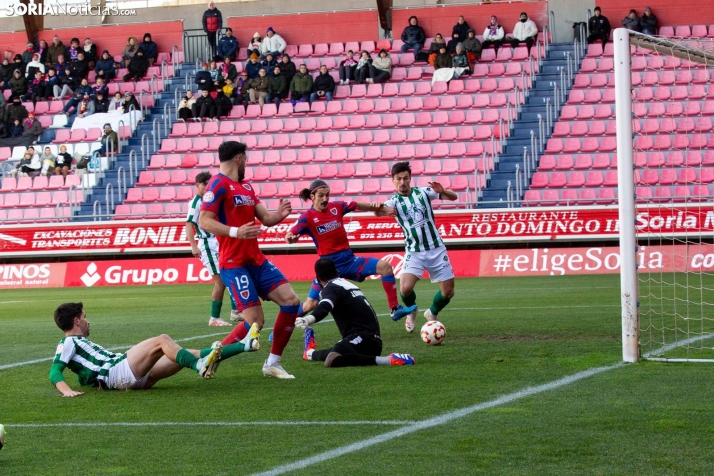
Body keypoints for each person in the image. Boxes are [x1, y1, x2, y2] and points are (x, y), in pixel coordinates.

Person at [199, 141, 302, 379]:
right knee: (255, 321)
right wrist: (236, 232)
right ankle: (214, 356)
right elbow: (204, 220)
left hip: (256, 260)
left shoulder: (245, 186)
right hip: (233, 264)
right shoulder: (217, 184)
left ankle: (273, 363)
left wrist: (281, 215)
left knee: (291, 301)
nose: (247, 163)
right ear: (239, 158)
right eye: (246, 159)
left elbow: (265, 218)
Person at [49, 302, 259, 395]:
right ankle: (199, 366)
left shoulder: (78, 344)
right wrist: (67, 392)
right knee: (162, 340)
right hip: (117, 370)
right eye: (85, 317)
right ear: (76, 321)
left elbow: (84, 370)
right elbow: (54, 371)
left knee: (181, 353)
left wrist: (86, 379)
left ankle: (244, 345)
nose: (88, 321)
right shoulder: (68, 342)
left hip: (126, 376)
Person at [286, 179, 416, 320]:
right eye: (321, 196)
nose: (325, 199)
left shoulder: (337, 207)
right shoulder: (307, 218)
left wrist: (382, 209)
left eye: (327, 195)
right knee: (310, 305)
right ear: (312, 197)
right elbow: (290, 235)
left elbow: (358, 205)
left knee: (386, 268)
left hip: (350, 260)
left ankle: (395, 309)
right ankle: (280, 329)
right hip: (329, 268)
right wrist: (291, 238)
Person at [298, 258, 416, 367]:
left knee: (331, 360)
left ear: (318, 279)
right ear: (337, 272)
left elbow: (324, 307)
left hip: (364, 338)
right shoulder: (346, 284)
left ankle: (388, 360)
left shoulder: (330, 288)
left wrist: (308, 319)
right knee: (339, 349)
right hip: (370, 339)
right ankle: (309, 353)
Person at [383, 161, 457, 332]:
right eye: (399, 179)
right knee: (405, 288)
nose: (403, 182)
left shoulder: (424, 192)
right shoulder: (392, 202)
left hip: (437, 249)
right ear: (393, 180)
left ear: (410, 178)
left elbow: (453, 197)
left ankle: (432, 313)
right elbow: (379, 211)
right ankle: (412, 311)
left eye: (406, 178)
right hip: (414, 251)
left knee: (448, 292)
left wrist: (443, 191)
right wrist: (381, 210)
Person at [186, 171, 242, 326]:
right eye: (204, 184)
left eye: (209, 184)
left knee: (229, 274)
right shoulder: (196, 202)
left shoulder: (210, 201)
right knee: (220, 281)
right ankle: (214, 318)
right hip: (206, 244)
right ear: (197, 185)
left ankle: (235, 311)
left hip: (218, 241)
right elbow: (188, 224)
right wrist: (193, 246)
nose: (207, 187)